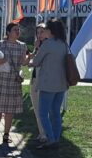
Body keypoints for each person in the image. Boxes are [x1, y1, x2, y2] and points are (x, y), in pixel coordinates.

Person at [28, 18, 68, 150]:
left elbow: (35, 62)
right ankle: (56, 138)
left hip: (48, 84)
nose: (43, 32)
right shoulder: (63, 44)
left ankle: (50, 139)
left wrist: (28, 61)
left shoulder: (48, 44)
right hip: (62, 84)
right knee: (56, 113)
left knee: (43, 113)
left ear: (50, 31)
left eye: (45, 30)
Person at [0, 22, 27, 145]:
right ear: (8, 33)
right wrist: (1, 61)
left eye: (18, 30)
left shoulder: (22, 46)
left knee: (10, 110)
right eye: (15, 30)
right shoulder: (0, 44)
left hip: (13, 82)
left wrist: (30, 57)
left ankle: (6, 135)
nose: (17, 32)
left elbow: (23, 62)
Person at [29, 23, 48, 143]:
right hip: (35, 79)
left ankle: (46, 133)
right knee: (36, 107)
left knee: (43, 109)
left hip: (44, 81)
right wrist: (35, 49)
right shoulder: (38, 45)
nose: (39, 35)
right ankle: (42, 132)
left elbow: (39, 62)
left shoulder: (49, 45)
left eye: (42, 32)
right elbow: (33, 61)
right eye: (38, 32)